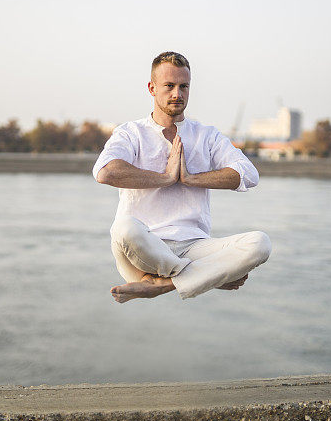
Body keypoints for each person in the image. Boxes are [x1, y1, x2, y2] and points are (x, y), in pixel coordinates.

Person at [93, 51, 271, 303]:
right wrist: (166, 177)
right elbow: (106, 172)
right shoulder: (131, 132)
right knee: (123, 227)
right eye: (169, 86)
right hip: (141, 246)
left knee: (260, 243)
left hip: (193, 247)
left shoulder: (206, 135)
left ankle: (161, 285)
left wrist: (190, 178)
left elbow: (248, 174)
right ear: (152, 88)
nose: (177, 93)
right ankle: (207, 276)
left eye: (183, 86)